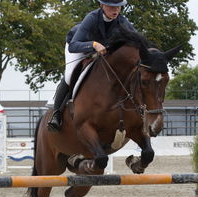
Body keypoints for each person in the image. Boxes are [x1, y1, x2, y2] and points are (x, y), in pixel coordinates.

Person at [47, 0, 137, 132]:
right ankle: (56, 115)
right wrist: (94, 45)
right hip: (79, 46)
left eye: (118, 7)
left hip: (102, 51)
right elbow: (73, 46)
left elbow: (136, 38)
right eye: (112, 7)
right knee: (69, 75)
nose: (116, 10)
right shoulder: (92, 18)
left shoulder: (122, 21)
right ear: (102, 5)